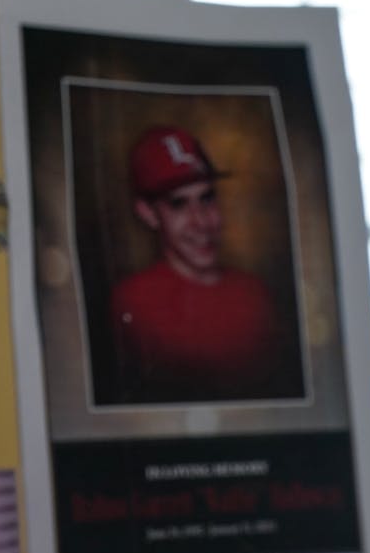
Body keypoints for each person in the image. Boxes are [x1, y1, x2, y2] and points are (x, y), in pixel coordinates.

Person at [109, 125, 289, 403]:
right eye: (179, 205)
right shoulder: (131, 303)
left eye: (207, 199)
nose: (201, 222)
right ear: (148, 214)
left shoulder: (255, 295)